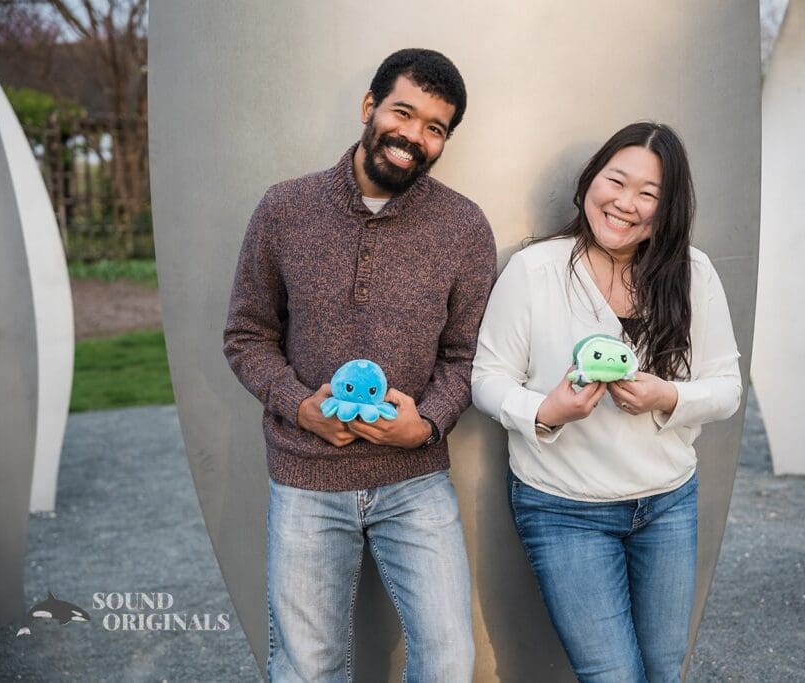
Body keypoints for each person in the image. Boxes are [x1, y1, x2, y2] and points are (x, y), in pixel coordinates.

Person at [223, 48, 497, 682]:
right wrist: (300, 407)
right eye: (404, 112)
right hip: (306, 476)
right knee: (307, 666)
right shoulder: (283, 209)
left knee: (450, 660)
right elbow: (246, 334)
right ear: (369, 107)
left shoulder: (463, 226)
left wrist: (425, 424)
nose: (415, 136)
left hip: (416, 480)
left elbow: (465, 356)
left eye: (436, 127)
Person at [471, 122, 741, 682]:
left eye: (648, 194)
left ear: (667, 210)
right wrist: (546, 412)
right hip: (563, 508)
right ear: (590, 180)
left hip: (667, 502)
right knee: (613, 675)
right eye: (615, 181)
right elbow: (487, 377)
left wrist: (667, 395)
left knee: (666, 670)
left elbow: (727, 387)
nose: (625, 203)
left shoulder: (692, 273)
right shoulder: (535, 270)